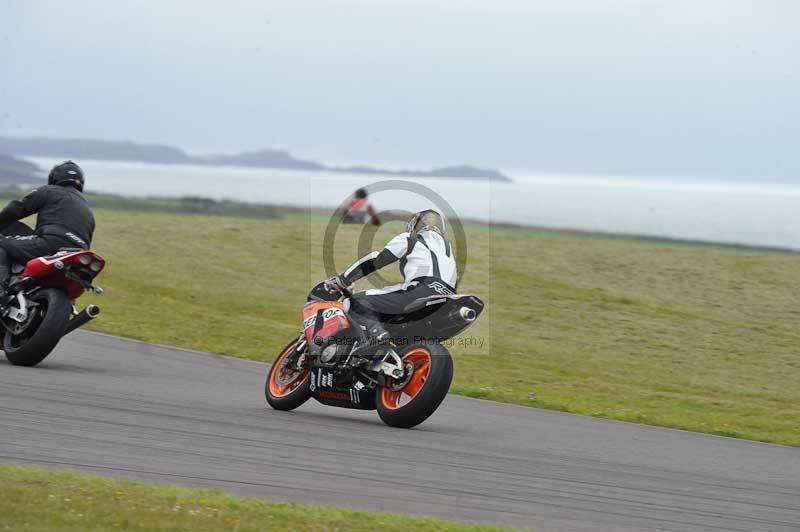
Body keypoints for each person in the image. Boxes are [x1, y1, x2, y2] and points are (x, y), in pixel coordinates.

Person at [325, 209, 456, 341]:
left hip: (420, 291)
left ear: (416, 224)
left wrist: (343, 280)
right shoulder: (447, 250)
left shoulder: (410, 238)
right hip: (447, 299)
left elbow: (378, 260)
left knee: (354, 302)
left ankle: (377, 335)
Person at [0, 160, 95, 300]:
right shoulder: (88, 209)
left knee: (2, 245)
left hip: (50, 243)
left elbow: (16, 209)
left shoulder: (50, 190)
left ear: (54, 178)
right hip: (77, 253)